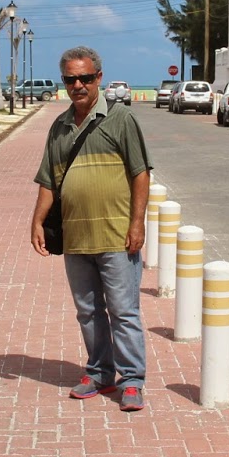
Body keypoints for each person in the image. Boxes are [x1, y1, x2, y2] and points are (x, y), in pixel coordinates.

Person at [30, 46, 153, 412]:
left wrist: (137, 224)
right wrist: (36, 221)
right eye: (70, 79)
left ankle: (132, 380)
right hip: (76, 238)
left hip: (116, 235)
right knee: (88, 311)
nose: (78, 85)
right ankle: (100, 372)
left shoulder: (120, 119)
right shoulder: (60, 126)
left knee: (123, 311)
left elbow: (140, 173)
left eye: (85, 77)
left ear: (99, 77)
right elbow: (49, 181)